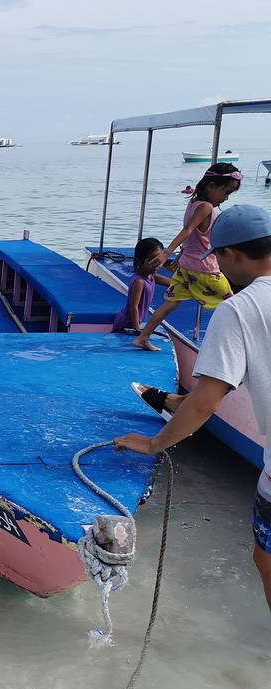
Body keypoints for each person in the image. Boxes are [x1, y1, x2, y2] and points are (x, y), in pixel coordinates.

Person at [114, 204, 271, 612]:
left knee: (267, 557)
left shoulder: (240, 308)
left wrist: (155, 443)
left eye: (217, 257)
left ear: (232, 254)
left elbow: (204, 402)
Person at [132, 163, 243, 351]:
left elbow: (192, 236)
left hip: (186, 267)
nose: (225, 198)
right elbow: (188, 230)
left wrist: (181, 253)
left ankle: (143, 336)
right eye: (226, 192)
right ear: (211, 186)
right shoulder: (206, 207)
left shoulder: (193, 203)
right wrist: (167, 252)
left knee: (171, 303)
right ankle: (241, 343)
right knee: (233, 303)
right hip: (205, 269)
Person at [111, 237, 174, 333]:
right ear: (139, 261)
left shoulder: (151, 275)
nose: (155, 265)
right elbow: (134, 307)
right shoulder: (139, 282)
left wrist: (181, 284)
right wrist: (137, 330)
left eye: (158, 261)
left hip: (135, 322)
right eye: (151, 261)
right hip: (127, 324)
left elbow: (169, 282)